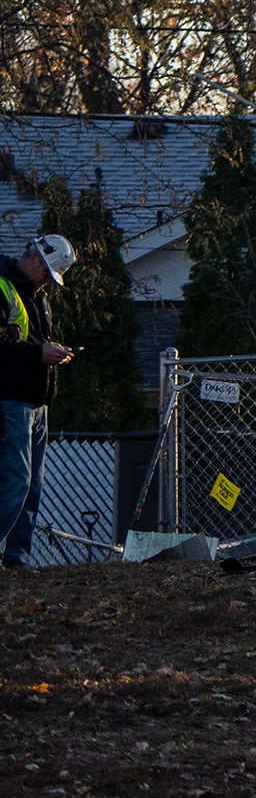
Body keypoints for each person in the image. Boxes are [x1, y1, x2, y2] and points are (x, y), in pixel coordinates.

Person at [0, 234, 77, 568]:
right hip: (12, 401)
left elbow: (32, 342)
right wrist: (39, 353)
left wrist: (51, 350)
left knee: (31, 486)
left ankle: (16, 559)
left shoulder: (37, 297)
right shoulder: (3, 290)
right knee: (15, 481)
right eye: (46, 272)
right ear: (33, 258)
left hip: (36, 403)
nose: (47, 280)